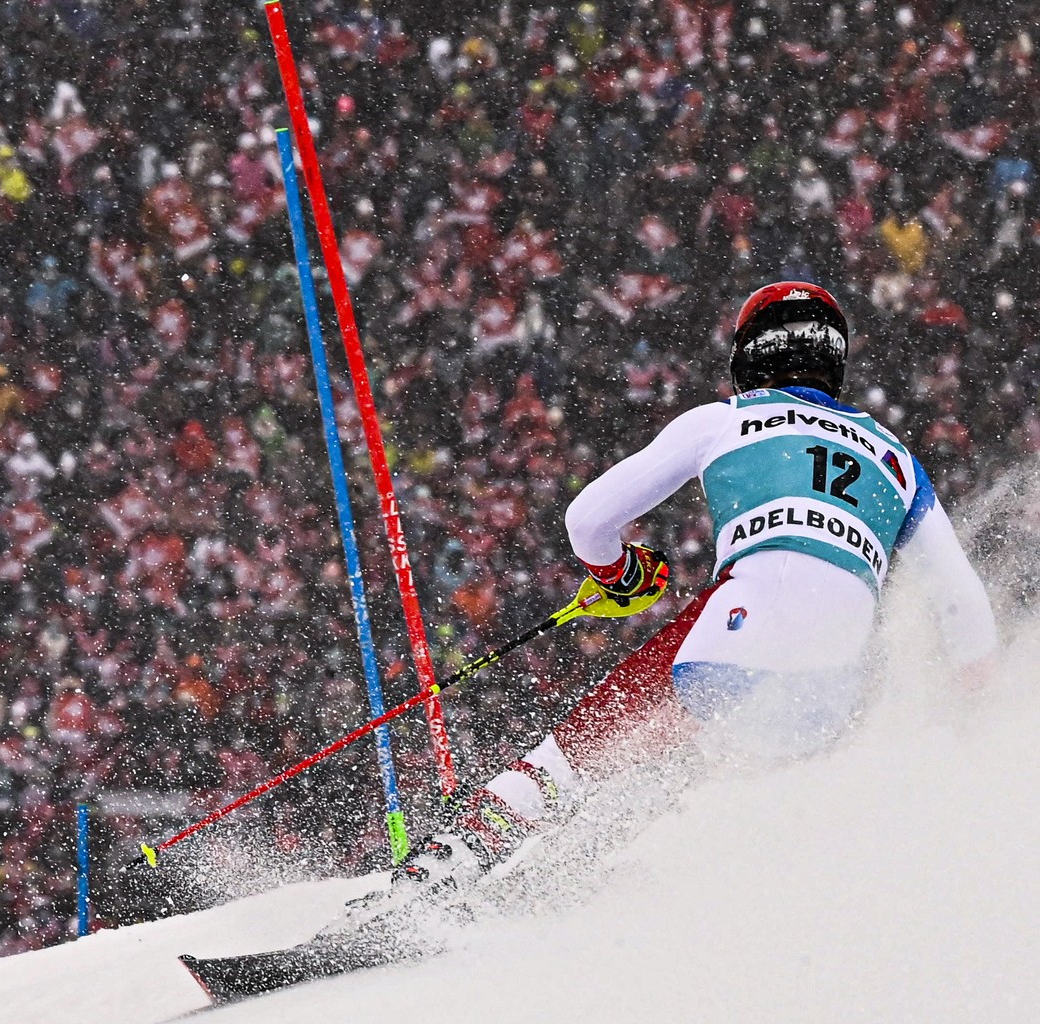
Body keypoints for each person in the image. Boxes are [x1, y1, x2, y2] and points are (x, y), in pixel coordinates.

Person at [384, 281, 999, 901]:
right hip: (833, 697)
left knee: (579, 752)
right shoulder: (897, 459)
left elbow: (587, 521)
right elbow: (964, 605)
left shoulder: (723, 421)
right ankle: (570, 872)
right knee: (692, 754)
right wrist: (975, 728)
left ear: (750, 354)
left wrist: (618, 574)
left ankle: (431, 880)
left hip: (738, 634)